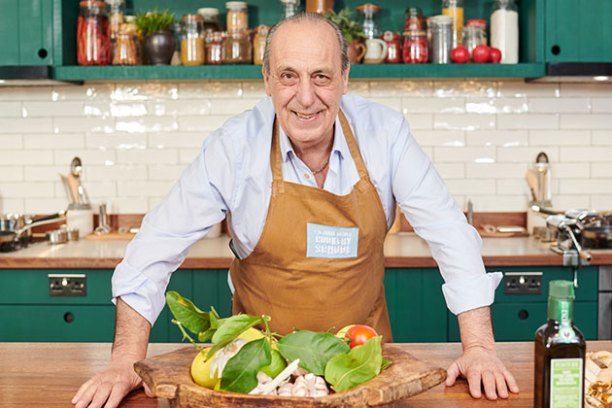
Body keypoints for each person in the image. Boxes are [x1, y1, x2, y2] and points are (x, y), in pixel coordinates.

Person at [72, 13, 519, 408]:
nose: (305, 98)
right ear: (266, 78)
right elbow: (154, 248)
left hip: (362, 370)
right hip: (257, 375)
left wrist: (479, 346)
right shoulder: (234, 147)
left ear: (345, 76)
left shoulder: (385, 134)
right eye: (289, 76)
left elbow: (449, 234)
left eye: (321, 76)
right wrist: (124, 361)